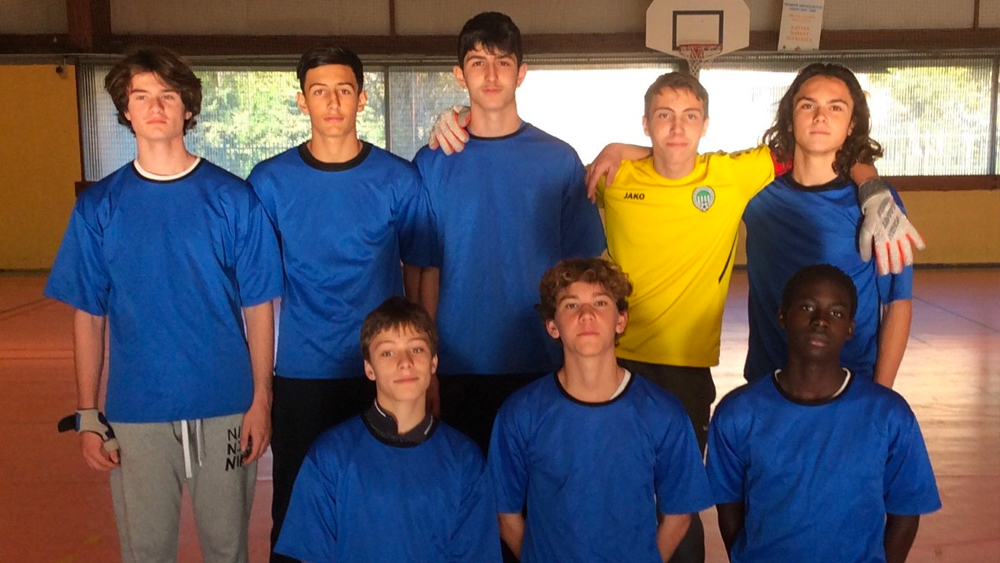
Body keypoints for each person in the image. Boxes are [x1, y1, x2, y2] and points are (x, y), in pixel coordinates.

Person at [45, 47, 282, 563]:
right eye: (141, 96)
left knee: (228, 550)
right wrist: (88, 412)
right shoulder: (98, 208)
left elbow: (260, 307)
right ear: (125, 110)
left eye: (168, 96)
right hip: (138, 412)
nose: (155, 107)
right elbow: (89, 316)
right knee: (146, 552)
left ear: (188, 108)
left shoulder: (234, 199)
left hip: (226, 405)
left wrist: (261, 400)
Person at [246, 46, 434, 563]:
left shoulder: (399, 178)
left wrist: (422, 364)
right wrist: (260, 393)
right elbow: (257, 294)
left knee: (380, 505)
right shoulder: (270, 181)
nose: (332, 103)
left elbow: (421, 273)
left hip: (382, 373)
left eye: (344, 90)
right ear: (302, 101)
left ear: (362, 99)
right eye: (319, 91)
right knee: (295, 511)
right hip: (301, 374)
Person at [412, 12, 606, 453]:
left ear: (521, 73)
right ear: (459, 74)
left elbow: (581, 271)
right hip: (458, 363)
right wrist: (428, 363)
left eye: (503, 62)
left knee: (540, 485)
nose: (491, 75)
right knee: (467, 485)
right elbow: (426, 272)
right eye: (478, 63)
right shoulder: (433, 162)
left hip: (543, 357)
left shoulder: (559, 160)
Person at [705, 264, 940, 563]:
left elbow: (905, 512)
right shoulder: (737, 413)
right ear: (782, 316)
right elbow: (729, 507)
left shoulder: (889, 415)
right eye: (807, 307)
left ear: (850, 329)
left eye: (836, 313)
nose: (820, 321)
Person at [488, 258, 712, 562]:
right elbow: (505, 514)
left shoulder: (663, 413)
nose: (586, 315)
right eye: (571, 305)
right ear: (552, 326)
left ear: (621, 321)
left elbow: (680, 514)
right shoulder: (520, 413)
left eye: (600, 303)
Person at [274, 297, 502, 563]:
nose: (405, 362)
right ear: (369, 368)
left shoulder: (465, 460)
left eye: (416, 349)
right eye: (387, 352)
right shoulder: (330, 456)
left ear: (433, 363)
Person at [743, 63, 912, 387]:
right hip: (769, 386)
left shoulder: (877, 203)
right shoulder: (754, 193)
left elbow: (897, 302)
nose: (820, 117)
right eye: (808, 105)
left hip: (852, 384)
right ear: (789, 119)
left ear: (851, 124)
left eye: (836, 108)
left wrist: (879, 395)